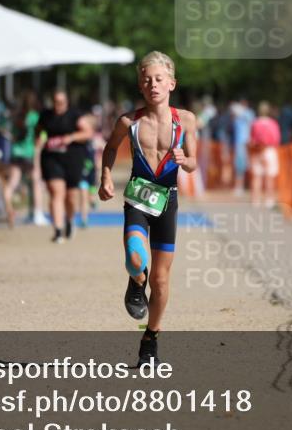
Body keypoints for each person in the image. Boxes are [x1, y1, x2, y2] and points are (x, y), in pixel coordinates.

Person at [99, 51, 197, 368]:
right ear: (141, 86)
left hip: (167, 199)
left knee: (162, 280)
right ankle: (135, 280)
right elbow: (110, 147)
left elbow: (194, 163)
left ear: (171, 83)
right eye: (146, 79)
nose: (152, 84)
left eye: (158, 79)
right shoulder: (129, 121)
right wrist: (105, 177)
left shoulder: (187, 120)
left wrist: (186, 162)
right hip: (138, 198)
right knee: (136, 259)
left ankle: (150, 338)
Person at [35, 90, 95, 243]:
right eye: (55, 102)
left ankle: (69, 220)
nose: (58, 105)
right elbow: (38, 130)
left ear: (66, 102)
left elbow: (88, 133)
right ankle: (58, 230)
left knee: (71, 197)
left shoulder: (75, 116)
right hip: (51, 158)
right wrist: (40, 140)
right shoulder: (46, 115)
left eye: (61, 102)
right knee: (56, 192)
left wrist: (70, 137)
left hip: (73, 158)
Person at [8, 90, 49, 227]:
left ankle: (11, 208)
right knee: (36, 182)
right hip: (30, 153)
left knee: (12, 183)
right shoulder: (35, 117)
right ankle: (37, 213)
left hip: (16, 152)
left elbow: (12, 135)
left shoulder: (17, 117)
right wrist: (42, 142)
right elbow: (43, 132)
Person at [249, 101, 281, 208]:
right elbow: (277, 139)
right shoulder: (273, 123)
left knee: (257, 176)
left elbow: (252, 139)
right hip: (269, 150)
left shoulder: (255, 123)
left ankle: (255, 200)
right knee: (269, 176)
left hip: (257, 151)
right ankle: (269, 199)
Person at [231, 99, 255, 196]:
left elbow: (251, 123)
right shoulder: (237, 117)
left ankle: (244, 186)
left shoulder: (248, 114)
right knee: (240, 166)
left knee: (246, 165)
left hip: (246, 143)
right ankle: (240, 187)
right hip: (240, 143)